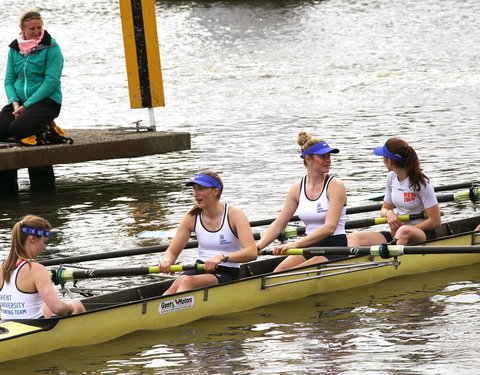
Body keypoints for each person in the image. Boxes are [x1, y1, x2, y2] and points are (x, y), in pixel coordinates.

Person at [256, 131, 348, 272]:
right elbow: (279, 224)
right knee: (277, 273)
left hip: (334, 247)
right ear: (308, 159)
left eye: (329, 156)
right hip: (309, 245)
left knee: (289, 275)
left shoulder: (336, 185)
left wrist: (295, 244)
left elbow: (330, 228)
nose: (328, 160)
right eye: (322, 156)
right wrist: (258, 247)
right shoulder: (297, 188)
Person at [158, 171, 257, 294]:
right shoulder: (191, 217)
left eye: (201, 189)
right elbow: (172, 251)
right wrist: (166, 261)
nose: (195, 194)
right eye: (194, 189)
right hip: (200, 268)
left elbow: (252, 252)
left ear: (215, 191)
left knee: (186, 282)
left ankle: (174, 310)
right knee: (180, 281)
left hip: (226, 271)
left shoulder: (235, 214)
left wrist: (221, 257)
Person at [348, 138, 441, 247]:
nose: (382, 160)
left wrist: (403, 230)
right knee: (354, 237)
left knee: (404, 231)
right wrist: (389, 213)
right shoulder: (391, 178)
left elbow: (435, 221)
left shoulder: (421, 182)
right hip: (397, 234)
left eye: (383, 157)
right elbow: (384, 209)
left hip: (422, 234)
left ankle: (395, 260)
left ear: (389, 161)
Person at [0, 215, 85, 319]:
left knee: (45, 305)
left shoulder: (1, 266)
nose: (45, 247)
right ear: (32, 238)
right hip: (36, 329)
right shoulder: (36, 269)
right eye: (44, 242)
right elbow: (57, 308)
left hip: (8, 327)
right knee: (76, 303)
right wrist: (69, 307)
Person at [0, 10, 63, 142]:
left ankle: (47, 130)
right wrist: (15, 104)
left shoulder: (52, 47)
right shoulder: (15, 49)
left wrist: (27, 105)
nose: (37, 32)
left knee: (18, 130)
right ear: (22, 29)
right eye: (32, 28)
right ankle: (34, 123)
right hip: (20, 103)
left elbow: (51, 82)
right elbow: (9, 81)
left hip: (47, 101)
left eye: (39, 27)